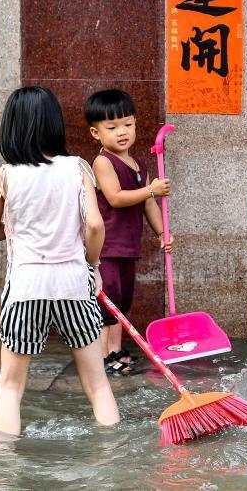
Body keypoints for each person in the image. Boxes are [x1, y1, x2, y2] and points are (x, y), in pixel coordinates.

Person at [0, 86, 119, 437]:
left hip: (24, 287)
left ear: (11, 126)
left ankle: (2, 467)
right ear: (54, 124)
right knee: (98, 385)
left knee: (10, 387)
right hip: (73, 283)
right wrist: (93, 265)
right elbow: (95, 226)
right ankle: (112, 461)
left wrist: (22, 230)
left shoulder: (4, 176)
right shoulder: (77, 168)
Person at [84, 89, 174, 375]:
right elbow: (115, 197)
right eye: (111, 128)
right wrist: (151, 189)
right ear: (96, 133)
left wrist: (162, 232)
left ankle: (116, 350)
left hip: (128, 247)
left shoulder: (139, 163)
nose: (121, 132)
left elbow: (149, 204)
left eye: (127, 124)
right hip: (107, 247)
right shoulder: (102, 162)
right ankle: (103, 357)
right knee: (107, 304)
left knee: (121, 303)